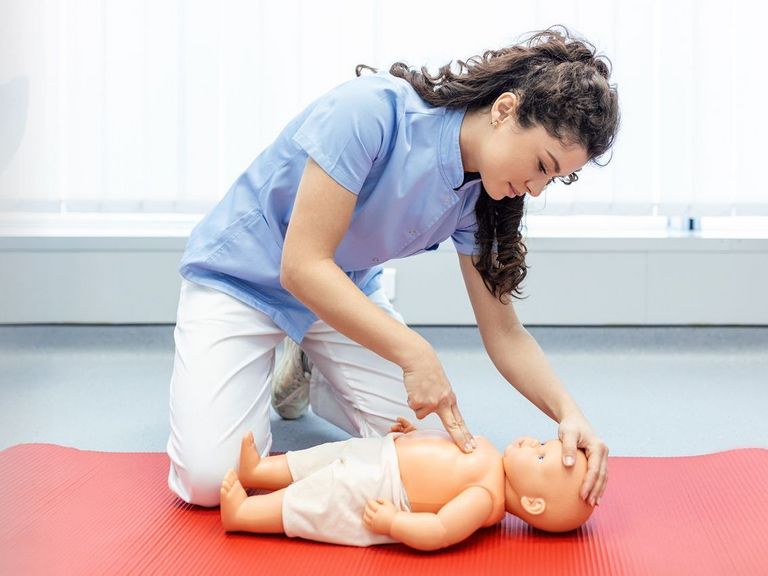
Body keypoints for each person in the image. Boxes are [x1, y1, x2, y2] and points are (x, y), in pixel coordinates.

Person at [166, 25, 619, 508]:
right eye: (542, 165)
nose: (536, 189)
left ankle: (312, 373)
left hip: (337, 294)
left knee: (426, 454)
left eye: (556, 178)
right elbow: (300, 266)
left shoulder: (485, 196)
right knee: (211, 480)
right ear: (505, 110)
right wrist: (414, 354)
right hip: (243, 279)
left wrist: (569, 414)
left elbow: (504, 333)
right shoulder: (370, 111)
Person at [220, 417, 593, 550]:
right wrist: (417, 434)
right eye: (544, 443)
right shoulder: (493, 460)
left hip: (382, 485)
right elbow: (446, 452)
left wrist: (394, 522)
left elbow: (439, 530)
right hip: (384, 452)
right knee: (322, 456)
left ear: (533, 503)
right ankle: (260, 472)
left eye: (540, 456)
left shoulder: (485, 498)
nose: (533, 443)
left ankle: (246, 513)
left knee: (323, 494)